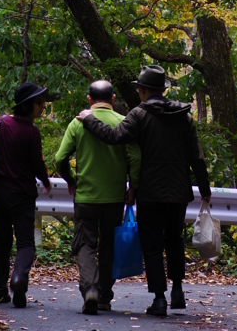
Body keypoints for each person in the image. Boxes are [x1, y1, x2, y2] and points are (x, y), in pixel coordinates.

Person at [77, 64, 211, 318]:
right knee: (174, 239)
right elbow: (197, 157)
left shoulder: (139, 115)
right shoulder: (185, 116)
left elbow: (114, 136)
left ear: (143, 90)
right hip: (178, 191)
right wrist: (204, 188)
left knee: (152, 244)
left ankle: (159, 299)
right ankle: (178, 290)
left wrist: (90, 119)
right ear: (163, 89)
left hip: (150, 191)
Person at [55, 79, 141, 315]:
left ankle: (90, 288)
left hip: (86, 197)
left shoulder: (77, 123)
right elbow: (135, 159)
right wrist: (132, 186)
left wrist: (71, 179)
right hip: (114, 198)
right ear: (113, 99)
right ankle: (103, 295)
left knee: (85, 244)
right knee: (109, 245)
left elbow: (59, 159)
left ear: (89, 100)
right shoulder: (124, 123)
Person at [0, 82, 51, 308]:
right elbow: (37, 164)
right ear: (27, 106)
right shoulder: (31, 133)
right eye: (39, 103)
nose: (43, 106)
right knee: (25, 244)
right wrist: (45, 181)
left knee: (2, 242)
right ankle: (18, 280)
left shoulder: (0, 123)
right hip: (22, 195)